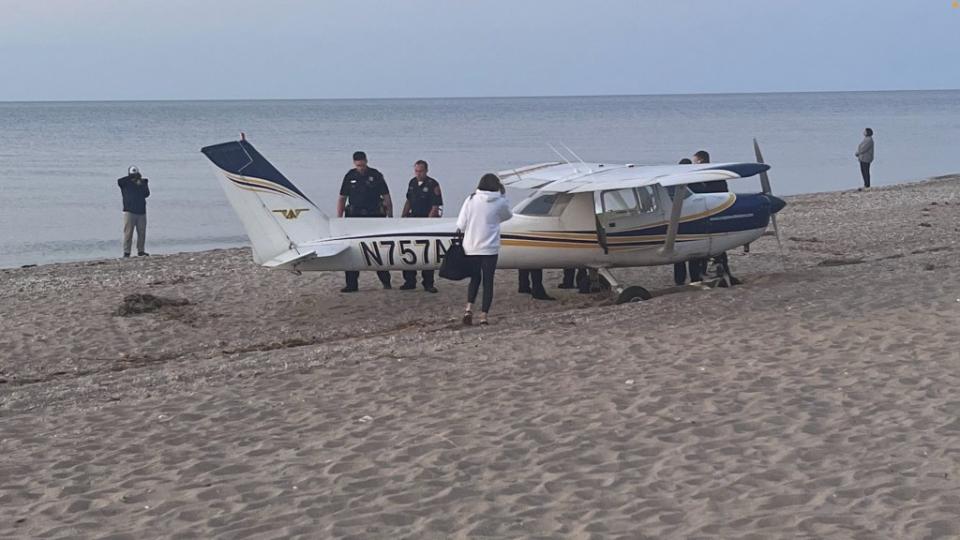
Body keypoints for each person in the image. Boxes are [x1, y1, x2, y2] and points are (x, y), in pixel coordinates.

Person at [456, 173, 512, 326]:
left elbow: (461, 224)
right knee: (488, 281)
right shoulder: (499, 202)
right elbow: (508, 216)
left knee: (475, 279)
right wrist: (503, 196)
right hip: (490, 247)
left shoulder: (471, 199)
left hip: (472, 246)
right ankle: (483, 316)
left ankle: (468, 309)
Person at [337, 151, 393, 292]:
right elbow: (342, 197)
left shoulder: (376, 175)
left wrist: (390, 217)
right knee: (351, 249)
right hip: (354, 218)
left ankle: (386, 282)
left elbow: (386, 197)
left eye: (362, 165)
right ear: (354, 163)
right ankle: (351, 284)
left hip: (374, 217)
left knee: (378, 250)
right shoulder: (350, 176)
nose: (361, 168)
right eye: (358, 165)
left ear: (366, 161)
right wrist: (339, 218)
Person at [400, 160, 443, 292]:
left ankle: (428, 283)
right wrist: (403, 218)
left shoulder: (432, 184)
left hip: (427, 220)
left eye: (421, 171)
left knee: (427, 253)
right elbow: (408, 201)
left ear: (426, 171)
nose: (418, 174)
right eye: (416, 171)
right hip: (412, 220)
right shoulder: (412, 183)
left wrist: (427, 224)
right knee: (408, 249)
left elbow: (435, 206)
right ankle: (409, 280)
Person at [118, 166, 150, 258]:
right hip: (129, 211)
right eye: (133, 175)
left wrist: (140, 182)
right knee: (128, 233)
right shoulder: (125, 183)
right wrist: (131, 179)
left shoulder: (142, 183)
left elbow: (147, 194)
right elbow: (119, 181)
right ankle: (127, 252)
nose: (134, 176)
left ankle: (141, 251)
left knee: (142, 233)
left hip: (141, 212)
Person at [672, 158, 693, 285]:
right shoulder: (693, 182)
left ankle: (680, 280)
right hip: (688, 220)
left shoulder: (674, 183)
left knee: (679, 253)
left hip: (678, 222)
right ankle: (695, 278)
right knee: (693, 255)